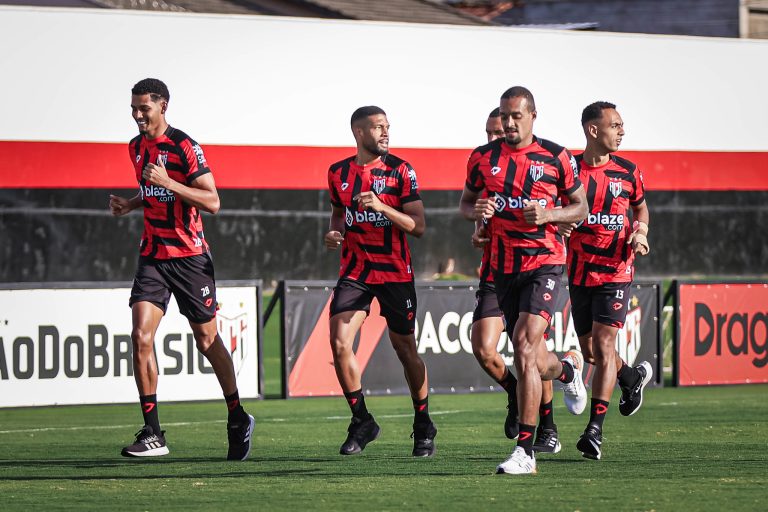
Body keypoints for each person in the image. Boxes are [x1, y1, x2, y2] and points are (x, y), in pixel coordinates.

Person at [109, 78, 254, 460]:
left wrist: (169, 181)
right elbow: (152, 190)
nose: (138, 115)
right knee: (140, 336)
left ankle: (237, 416)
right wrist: (132, 203)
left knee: (207, 341)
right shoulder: (136, 148)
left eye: (145, 108)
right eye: (134, 108)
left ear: (163, 106)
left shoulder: (184, 146)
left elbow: (213, 201)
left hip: (190, 259)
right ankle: (153, 432)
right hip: (153, 257)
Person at [462, 86, 589, 475]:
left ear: (533, 115)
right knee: (533, 358)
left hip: (544, 264)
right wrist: (477, 213)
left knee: (522, 344)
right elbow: (466, 204)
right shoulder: (482, 159)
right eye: (505, 115)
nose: (509, 122)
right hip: (502, 268)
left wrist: (550, 215)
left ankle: (526, 451)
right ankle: (568, 369)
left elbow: (580, 207)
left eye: (516, 115)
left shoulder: (556, 157)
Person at [324, 106, 437, 457]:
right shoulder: (337, 172)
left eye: (388, 127)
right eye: (378, 127)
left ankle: (423, 423)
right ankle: (362, 420)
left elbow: (418, 227)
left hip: (394, 273)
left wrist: (383, 207)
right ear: (359, 132)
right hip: (356, 271)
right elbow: (339, 212)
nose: (386, 132)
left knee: (405, 350)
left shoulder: (401, 170)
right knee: (340, 341)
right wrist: (334, 232)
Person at [559, 101, 653, 461]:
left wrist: (640, 231)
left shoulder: (629, 171)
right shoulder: (569, 170)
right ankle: (630, 377)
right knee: (592, 353)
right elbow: (556, 209)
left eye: (622, 125)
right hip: (580, 270)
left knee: (602, 344)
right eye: (615, 125)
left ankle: (594, 430)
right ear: (593, 130)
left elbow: (641, 207)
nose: (622, 131)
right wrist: (560, 223)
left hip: (616, 269)